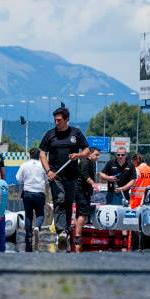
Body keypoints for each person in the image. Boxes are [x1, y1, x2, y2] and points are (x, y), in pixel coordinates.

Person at [39, 106, 90, 252]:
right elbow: (42, 153)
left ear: (66, 119)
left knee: (68, 203)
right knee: (59, 200)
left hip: (72, 175)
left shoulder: (76, 133)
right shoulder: (50, 135)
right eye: (54, 119)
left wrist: (78, 155)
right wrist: (48, 170)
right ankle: (61, 231)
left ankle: (66, 231)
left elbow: (87, 150)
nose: (56, 122)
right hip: (55, 176)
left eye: (59, 120)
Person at [16, 147, 47, 252]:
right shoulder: (43, 166)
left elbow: (18, 178)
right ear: (39, 155)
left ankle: (28, 235)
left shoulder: (24, 165)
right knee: (40, 214)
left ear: (29, 155)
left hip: (28, 193)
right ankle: (37, 227)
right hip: (39, 193)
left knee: (28, 214)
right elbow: (47, 180)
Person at [73, 148, 100, 252]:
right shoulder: (85, 161)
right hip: (81, 191)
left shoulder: (92, 163)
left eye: (98, 155)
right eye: (96, 155)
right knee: (83, 214)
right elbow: (85, 175)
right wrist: (93, 183)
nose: (98, 157)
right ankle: (78, 235)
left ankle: (76, 233)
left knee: (80, 213)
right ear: (90, 154)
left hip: (86, 191)